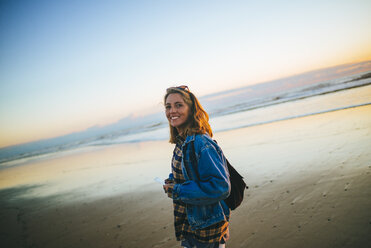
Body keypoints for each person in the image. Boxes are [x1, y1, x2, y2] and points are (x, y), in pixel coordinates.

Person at [162, 85, 231, 248]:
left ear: (191, 109)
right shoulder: (182, 142)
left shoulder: (200, 143)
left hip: (206, 231)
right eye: (168, 106)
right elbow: (190, 174)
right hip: (189, 224)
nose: (172, 111)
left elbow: (221, 187)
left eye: (179, 105)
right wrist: (173, 181)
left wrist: (178, 191)